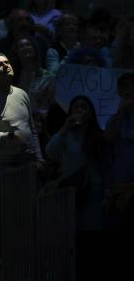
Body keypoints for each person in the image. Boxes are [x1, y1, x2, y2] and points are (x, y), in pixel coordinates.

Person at [46, 96, 108, 230]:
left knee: (92, 231)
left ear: (91, 113)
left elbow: (105, 166)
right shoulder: (67, 135)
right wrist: (64, 128)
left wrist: (106, 192)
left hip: (93, 191)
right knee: (72, 231)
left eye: (84, 107)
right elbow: (50, 152)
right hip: (71, 189)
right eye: (76, 107)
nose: (80, 110)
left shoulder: (98, 135)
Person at [0, 52, 44, 169]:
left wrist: (39, 158)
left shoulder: (22, 94)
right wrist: (7, 137)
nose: (6, 66)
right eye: (0, 65)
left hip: (29, 160)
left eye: (7, 62)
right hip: (5, 162)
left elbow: (32, 129)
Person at [103, 72, 134, 230]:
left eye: (130, 87)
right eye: (123, 88)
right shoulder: (115, 118)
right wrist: (121, 113)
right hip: (120, 187)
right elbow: (108, 137)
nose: (127, 91)